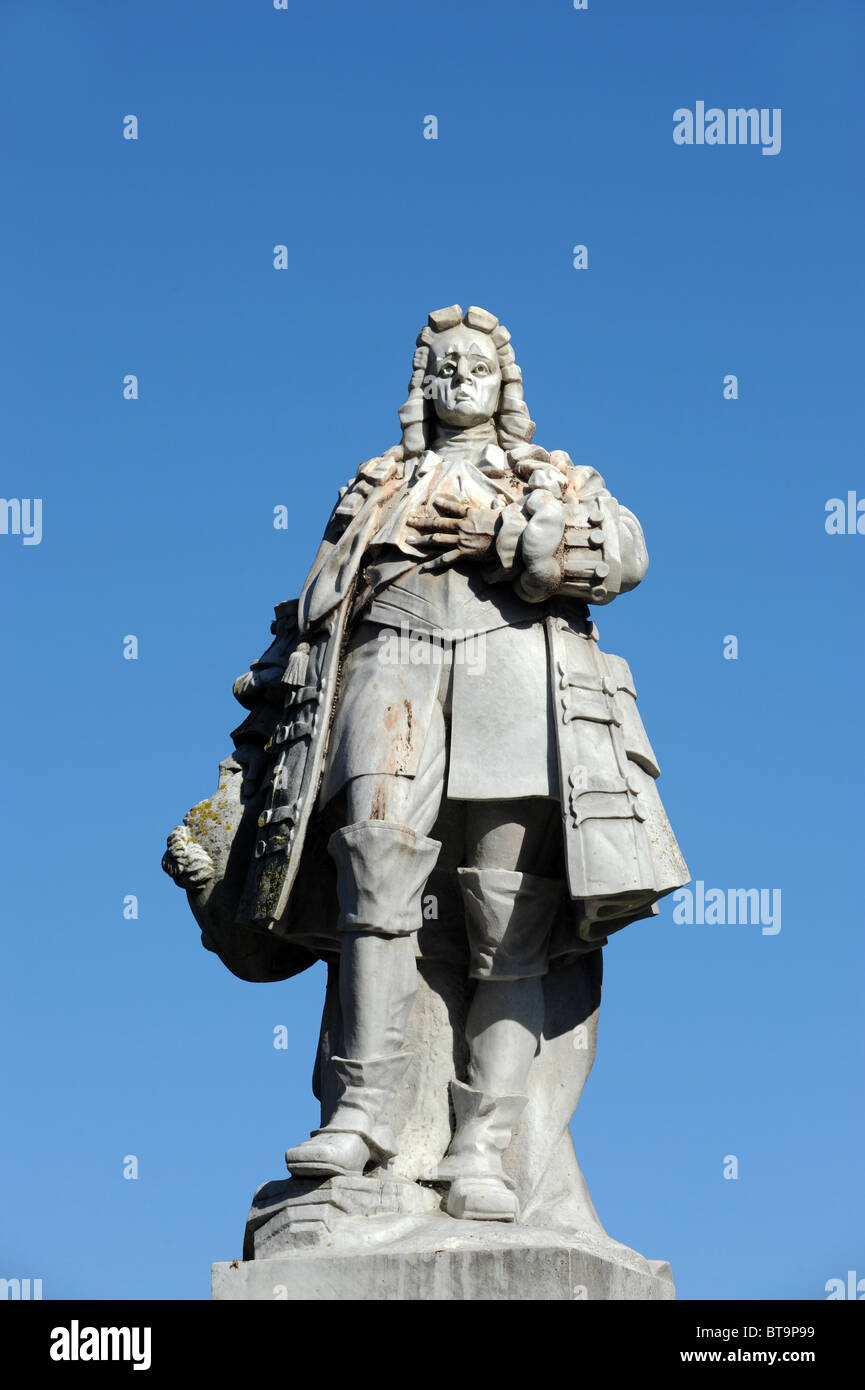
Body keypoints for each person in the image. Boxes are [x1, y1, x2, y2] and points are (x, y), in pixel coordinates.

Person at [241, 303, 691, 1221]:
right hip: (389, 662)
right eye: (439, 365)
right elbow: (311, 611)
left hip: (511, 675)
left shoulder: (550, 474)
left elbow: (626, 556)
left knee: (508, 911)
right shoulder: (373, 483)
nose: (456, 378)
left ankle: (483, 1147)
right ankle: (362, 1112)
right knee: (372, 860)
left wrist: (505, 537)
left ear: (503, 380)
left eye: (473, 364)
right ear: (420, 384)